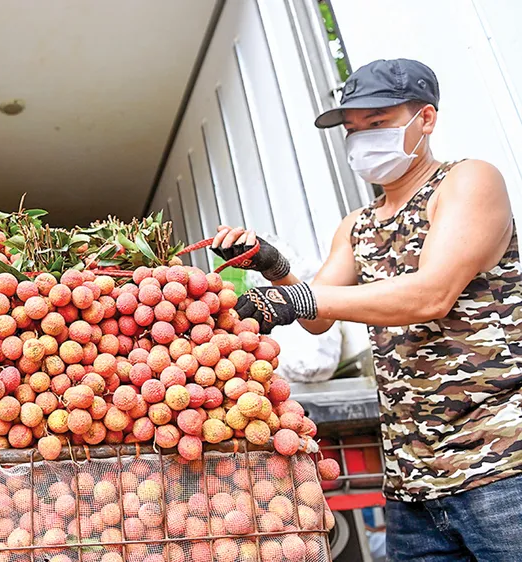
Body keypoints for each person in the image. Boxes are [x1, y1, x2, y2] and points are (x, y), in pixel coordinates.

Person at [211, 59, 522, 561]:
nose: (362, 141)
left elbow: (431, 294)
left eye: (377, 124)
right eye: (353, 131)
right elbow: (319, 317)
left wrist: (299, 297)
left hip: (502, 464)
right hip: (412, 482)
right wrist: (274, 268)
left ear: (426, 119)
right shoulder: (356, 226)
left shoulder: (468, 182)